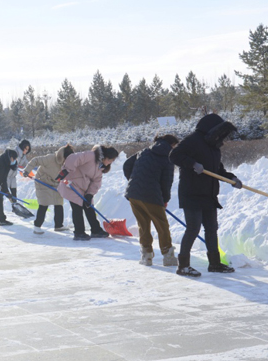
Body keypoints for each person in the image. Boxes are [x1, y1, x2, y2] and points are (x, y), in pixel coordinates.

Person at [170, 114, 242, 277]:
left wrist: (232, 178)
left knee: (211, 229)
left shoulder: (213, 147)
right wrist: (192, 164)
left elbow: (218, 171)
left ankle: (214, 264)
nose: (221, 138)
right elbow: (174, 156)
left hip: (209, 194)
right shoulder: (192, 140)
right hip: (191, 193)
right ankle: (183, 265)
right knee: (193, 228)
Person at [125, 135, 179, 267]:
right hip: (151, 195)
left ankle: (146, 255)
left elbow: (127, 165)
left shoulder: (144, 151)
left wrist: (134, 180)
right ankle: (168, 256)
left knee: (143, 224)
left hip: (134, 193)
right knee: (162, 225)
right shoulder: (168, 156)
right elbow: (167, 181)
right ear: (172, 144)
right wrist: (165, 199)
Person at [57, 145, 118, 241]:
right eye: (110, 160)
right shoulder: (91, 156)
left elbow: (96, 182)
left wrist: (90, 194)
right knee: (77, 207)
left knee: (89, 207)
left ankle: (96, 230)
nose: (110, 162)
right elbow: (73, 158)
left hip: (83, 188)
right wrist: (66, 170)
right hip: (70, 184)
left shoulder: (100, 167)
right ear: (106, 157)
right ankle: (79, 232)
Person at [24, 144, 73, 234]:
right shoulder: (50, 158)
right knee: (44, 203)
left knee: (59, 202)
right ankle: (37, 226)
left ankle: (58, 225)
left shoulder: (66, 164)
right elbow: (35, 160)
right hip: (42, 182)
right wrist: (27, 170)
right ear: (63, 156)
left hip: (55, 184)